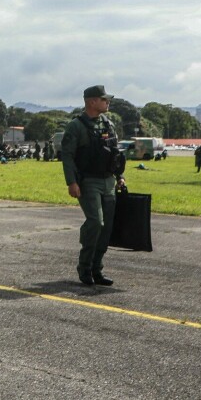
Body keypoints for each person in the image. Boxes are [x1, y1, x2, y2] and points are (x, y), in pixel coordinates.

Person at [60, 85, 125, 287]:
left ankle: (97, 270)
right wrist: (72, 182)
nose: (108, 102)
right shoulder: (76, 126)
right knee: (96, 222)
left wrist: (120, 176)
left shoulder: (108, 124)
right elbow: (67, 156)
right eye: (104, 99)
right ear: (92, 102)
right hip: (88, 182)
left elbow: (114, 152)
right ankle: (85, 267)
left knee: (106, 228)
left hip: (108, 181)